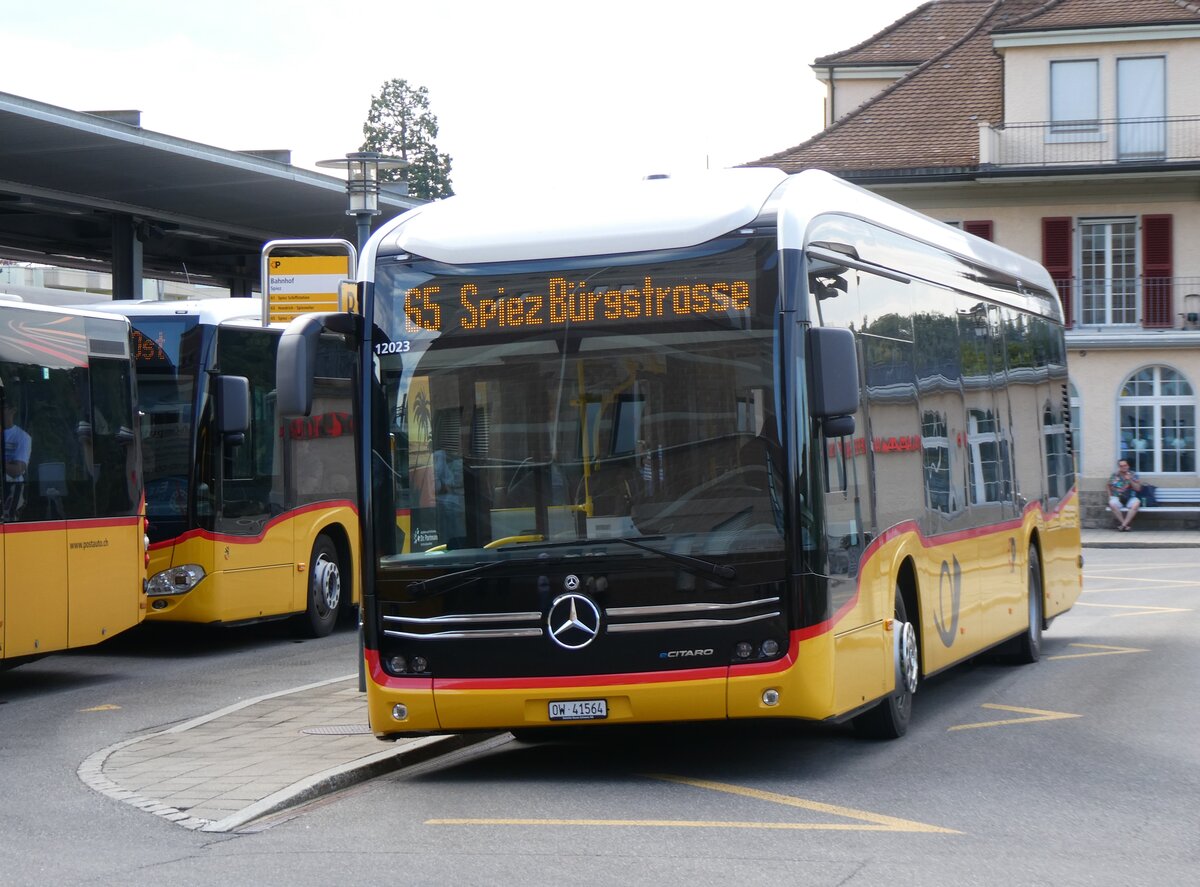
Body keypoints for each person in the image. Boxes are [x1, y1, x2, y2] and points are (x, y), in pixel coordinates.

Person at [2, 400, 31, 520]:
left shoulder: (22, 437)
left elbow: (17, 469)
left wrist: (8, 466)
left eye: (2, 407)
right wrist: (8, 464)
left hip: (12, 489)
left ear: (12, 410)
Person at [1107, 458, 1143, 531]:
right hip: (1117, 497)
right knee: (1112, 503)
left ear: (1128, 466)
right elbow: (1108, 485)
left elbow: (1138, 489)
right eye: (1121, 466)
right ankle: (1125, 525)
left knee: (1137, 503)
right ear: (1119, 467)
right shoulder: (1115, 475)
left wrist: (1130, 479)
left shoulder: (1133, 474)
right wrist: (1109, 496)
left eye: (1125, 465)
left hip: (1130, 497)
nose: (1123, 467)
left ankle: (1123, 525)